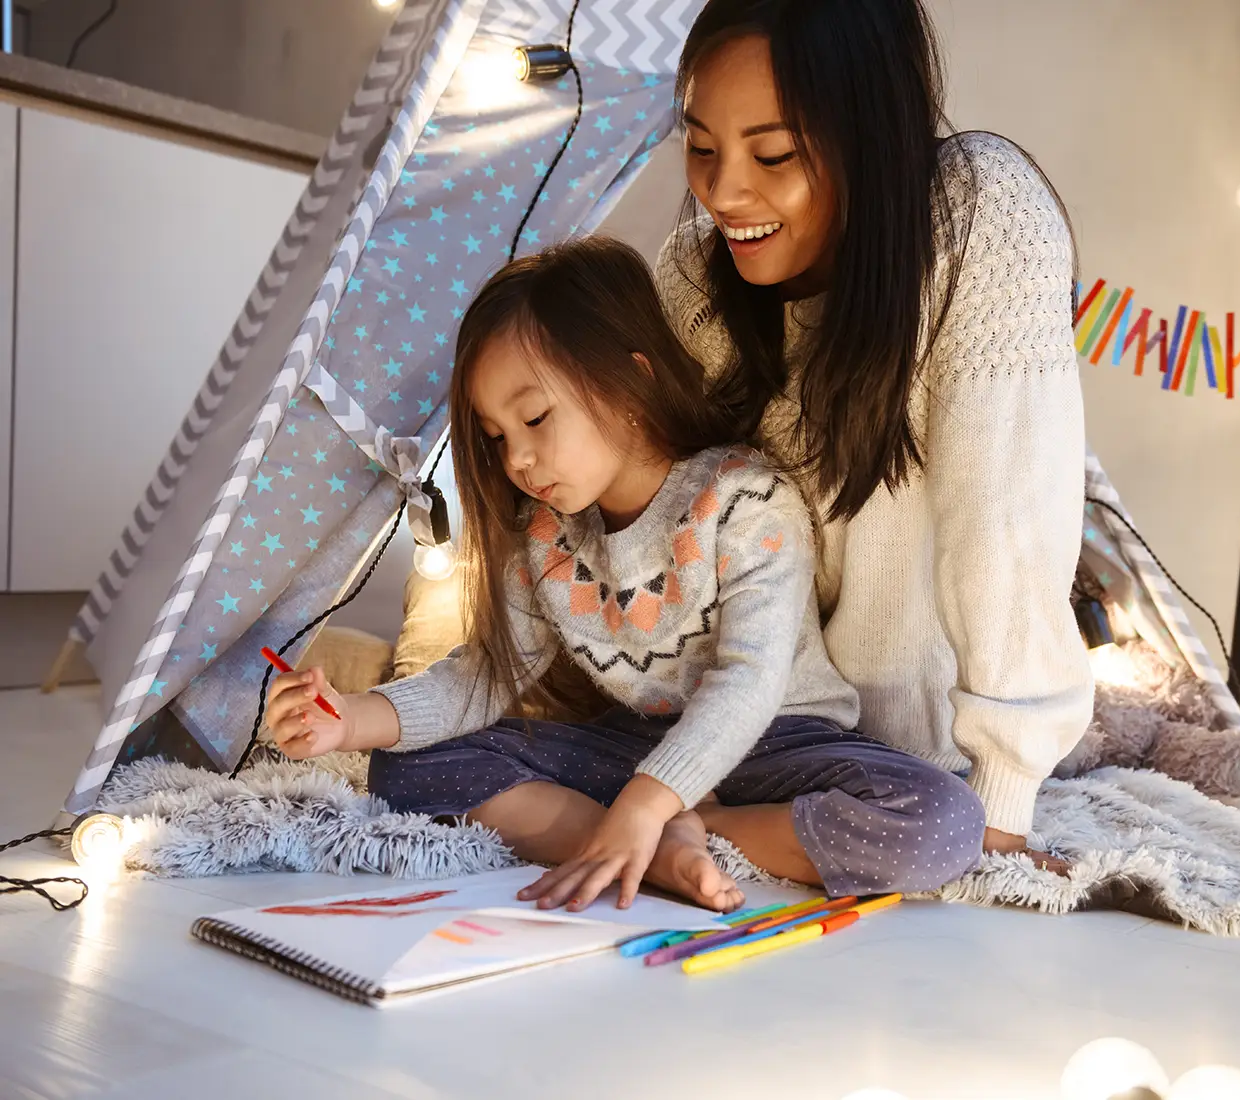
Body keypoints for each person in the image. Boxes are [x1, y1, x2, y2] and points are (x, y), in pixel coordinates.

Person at [264, 237, 985, 913]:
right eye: (496, 437)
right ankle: (651, 848)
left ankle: (686, 827)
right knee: (406, 767)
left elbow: (749, 683)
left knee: (945, 822)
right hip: (640, 745)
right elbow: (483, 677)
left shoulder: (746, 499)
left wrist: (650, 803)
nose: (516, 459)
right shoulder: (545, 536)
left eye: (535, 419)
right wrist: (351, 718)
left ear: (629, 383)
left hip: (778, 744)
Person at [656, 0, 1094, 872]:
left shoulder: (978, 213)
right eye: (700, 146)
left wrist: (1001, 804)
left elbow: (1004, 523)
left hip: (906, 761)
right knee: (438, 763)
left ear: (872, 134)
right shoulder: (692, 276)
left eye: (773, 155)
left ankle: (664, 826)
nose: (723, 192)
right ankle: (665, 821)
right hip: (728, 734)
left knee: (932, 830)